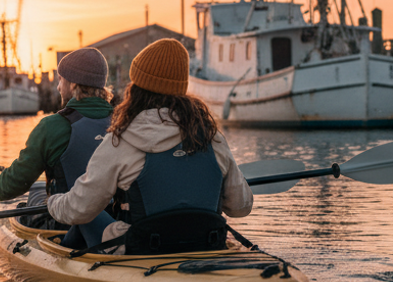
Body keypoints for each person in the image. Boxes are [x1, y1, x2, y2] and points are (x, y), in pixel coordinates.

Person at [46, 38, 252, 255]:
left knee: (89, 215)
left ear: (137, 88)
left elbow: (79, 209)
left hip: (142, 251)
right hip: (206, 244)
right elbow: (240, 207)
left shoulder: (122, 140)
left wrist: (54, 203)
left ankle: (63, 255)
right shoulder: (213, 137)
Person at [0, 47, 116, 247]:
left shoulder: (52, 126)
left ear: (73, 84)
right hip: (113, 222)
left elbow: (16, 182)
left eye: (61, 80)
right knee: (39, 191)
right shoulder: (123, 121)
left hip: (63, 224)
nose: (58, 88)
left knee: (33, 198)